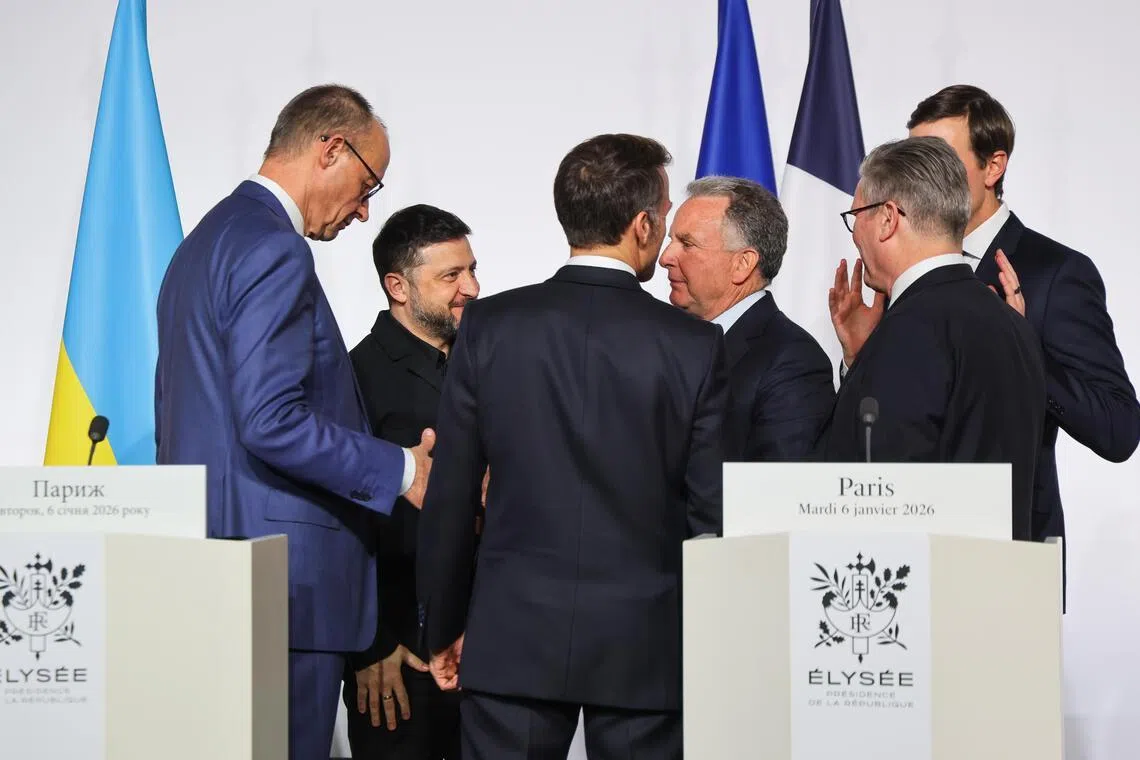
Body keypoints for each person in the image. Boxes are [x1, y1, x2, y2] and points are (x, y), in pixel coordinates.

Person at [416, 133, 727, 760]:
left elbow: (450, 491)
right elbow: (710, 515)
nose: (663, 235)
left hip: (512, 640)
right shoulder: (695, 345)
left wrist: (444, 625)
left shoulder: (489, 328)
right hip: (645, 648)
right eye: (664, 217)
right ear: (641, 223)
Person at [154, 84, 434, 760]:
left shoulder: (203, 243)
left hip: (216, 570)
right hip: (286, 590)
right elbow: (270, 420)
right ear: (331, 148)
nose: (367, 211)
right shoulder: (274, 248)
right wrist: (401, 469)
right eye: (369, 183)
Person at [821, 136, 1046, 541]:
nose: (855, 232)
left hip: (920, 590)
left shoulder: (910, 328)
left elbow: (877, 490)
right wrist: (861, 360)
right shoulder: (1013, 323)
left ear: (888, 217)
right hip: (1000, 586)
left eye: (857, 215)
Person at [342, 204, 480, 759]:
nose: (471, 286)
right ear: (398, 286)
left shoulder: (494, 360)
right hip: (398, 662)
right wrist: (371, 645)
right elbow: (335, 521)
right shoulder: (352, 377)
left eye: (472, 269)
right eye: (451, 276)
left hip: (493, 652)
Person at [659, 176, 834, 460]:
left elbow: (780, 490)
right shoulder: (670, 343)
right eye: (671, 241)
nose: (665, 257)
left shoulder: (794, 362)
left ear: (742, 264)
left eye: (687, 244)